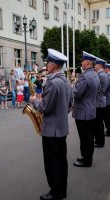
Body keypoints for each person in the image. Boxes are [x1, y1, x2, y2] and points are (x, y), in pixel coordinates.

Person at [30, 48, 73, 200]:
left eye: (48, 62)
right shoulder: (66, 81)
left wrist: (35, 101)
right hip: (61, 128)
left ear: (54, 65)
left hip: (51, 130)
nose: (46, 64)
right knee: (61, 160)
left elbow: (44, 108)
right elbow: (69, 105)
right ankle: (62, 189)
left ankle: (56, 192)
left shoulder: (53, 83)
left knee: (52, 162)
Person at [73, 51, 100, 167]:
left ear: (87, 62)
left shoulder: (85, 76)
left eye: (83, 61)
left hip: (83, 112)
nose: (81, 63)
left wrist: (74, 85)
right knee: (89, 136)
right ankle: (88, 158)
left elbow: (77, 93)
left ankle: (86, 160)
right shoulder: (95, 75)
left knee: (85, 138)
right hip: (91, 110)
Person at [93, 57, 108, 148]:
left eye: (95, 65)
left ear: (99, 65)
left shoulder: (100, 75)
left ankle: (99, 141)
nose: (94, 67)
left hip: (98, 102)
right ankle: (100, 140)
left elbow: (96, 89)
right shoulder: (103, 74)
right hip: (101, 101)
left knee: (98, 124)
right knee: (99, 123)